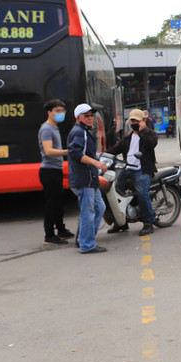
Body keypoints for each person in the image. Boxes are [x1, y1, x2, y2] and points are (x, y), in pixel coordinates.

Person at [106, 108, 159, 235]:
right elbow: (115, 149)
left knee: (142, 194)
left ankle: (148, 222)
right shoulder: (127, 138)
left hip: (143, 170)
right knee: (116, 192)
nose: (133, 123)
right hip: (127, 169)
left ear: (143, 121)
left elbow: (152, 144)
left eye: (136, 120)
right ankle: (121, 223)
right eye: (132, 120)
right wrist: (102, 154)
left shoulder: (150, 134)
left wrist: (143, 130)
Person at [67, 103, 109, 254]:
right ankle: (86, 244)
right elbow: (76, 154)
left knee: (99, 208)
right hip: (84, 179)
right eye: (87, 116)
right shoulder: (79, 132)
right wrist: (96, 162)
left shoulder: (83, 131)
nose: (90, 118)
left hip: (90, 179)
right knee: (89, 212)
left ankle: (86, 239)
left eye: (91, 115)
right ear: (78, 118)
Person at [38, 99, 74, 245]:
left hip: (56, 169)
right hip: (49, 170)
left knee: (59, 202)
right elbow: (48, 150)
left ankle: (61, 229)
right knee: (52, 203)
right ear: (49, 112)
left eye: (62, 111)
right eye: (57, 111)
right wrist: (69, 151)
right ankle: (49, 234)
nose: (61, 113)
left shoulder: (54, 128)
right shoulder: (46, 129)